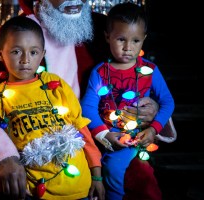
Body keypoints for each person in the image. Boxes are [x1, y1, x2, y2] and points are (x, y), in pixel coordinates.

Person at [0, 0, 176, 199]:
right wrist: (4, 155)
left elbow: (138, 74)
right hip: (29, 143)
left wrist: (152, 106)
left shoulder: (106, 28)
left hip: (104, 138)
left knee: (142, 185)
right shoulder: (14, 35)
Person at [0, 16, 105, 199]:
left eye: (33, 52)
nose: (25, 60)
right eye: (16, 52)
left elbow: (81, 129)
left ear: (42, 54)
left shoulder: (55, 84)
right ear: (0, 54)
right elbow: (0, 143)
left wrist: (97, 175)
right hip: (35, 191)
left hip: (79, 185)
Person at [80, 3, 175, 200]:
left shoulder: (149, 70)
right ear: (108, 37)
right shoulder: (100, 72)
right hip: (107, 132)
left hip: (136, 135)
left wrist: (153, 129)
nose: (127, 48)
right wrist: (104, 134)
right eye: (121, 39)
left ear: (144, 40)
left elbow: (167, 102)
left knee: (113, 169)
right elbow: (87, 107)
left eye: (135, 40)